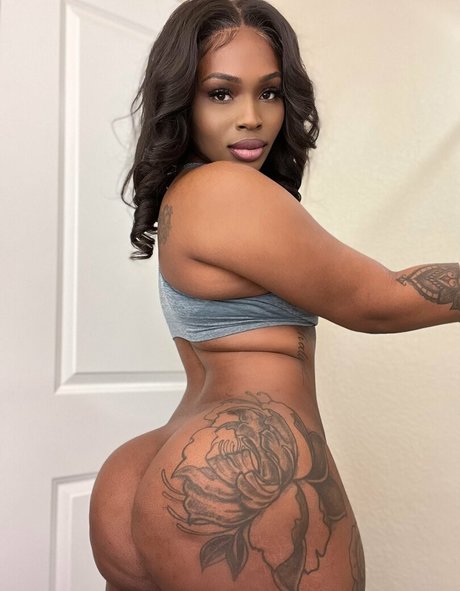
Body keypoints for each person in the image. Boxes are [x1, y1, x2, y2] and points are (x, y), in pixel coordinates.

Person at [89, 1, 459, 590]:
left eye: (269, 93)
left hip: (159, 468)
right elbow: (379, 301)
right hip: (243, 482)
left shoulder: (185, 195)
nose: (252, 118)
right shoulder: (224, 190)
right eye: (221, 93)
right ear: (182, 100)